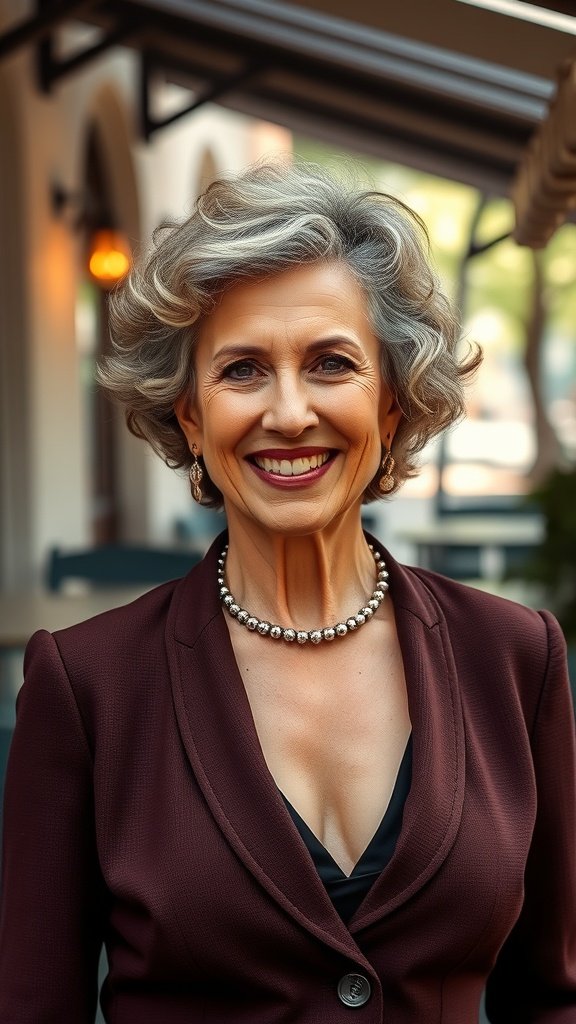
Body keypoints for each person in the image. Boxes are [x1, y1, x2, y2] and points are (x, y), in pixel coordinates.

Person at [0, 160, 574, 1024]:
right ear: (190, 416)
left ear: (391, 406)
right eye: (241, 371)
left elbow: (553, 1000)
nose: (290, 412)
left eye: (332, 363)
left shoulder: (516, 656)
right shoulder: (87, 686)